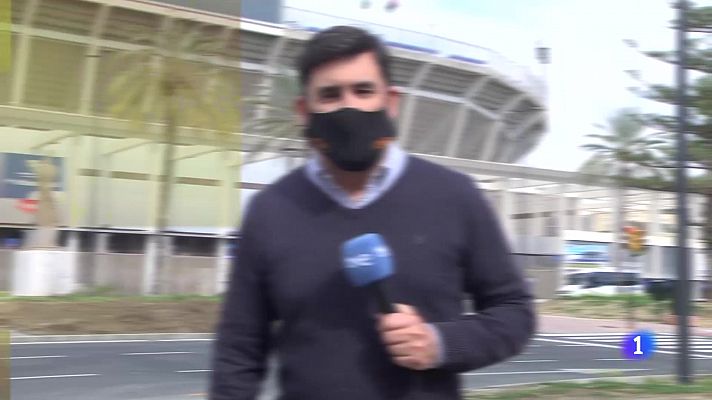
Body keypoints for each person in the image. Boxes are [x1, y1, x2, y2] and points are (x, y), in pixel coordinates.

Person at [209, 25, 536, 400]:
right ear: (304, 110)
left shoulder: (454, 197)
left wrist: (440, 342)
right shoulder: (271, 211)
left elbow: (515, 312)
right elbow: (238, 350)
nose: (349, 107)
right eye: (330, 95)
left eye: (363, 91)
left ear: (391, 102)